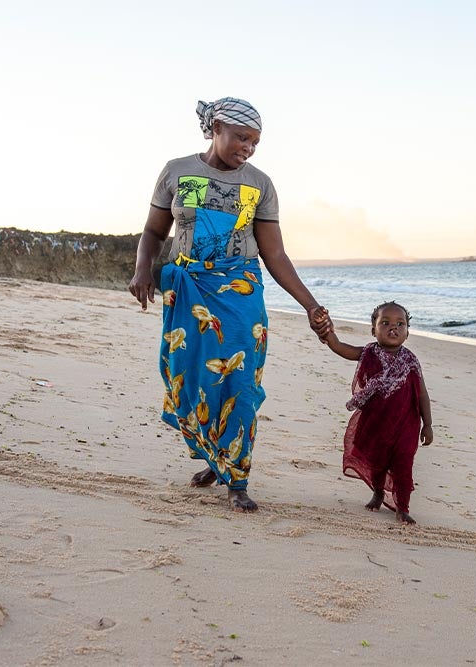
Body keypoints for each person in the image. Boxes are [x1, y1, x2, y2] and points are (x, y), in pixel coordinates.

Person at [128, 97, 332, 513]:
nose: (248, 148)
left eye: (255, 142)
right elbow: (153, 230)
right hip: (188, 288)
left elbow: (275, 254)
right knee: (188, 377)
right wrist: (142, 269)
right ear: (216, 127)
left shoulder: (259, 184)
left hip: (239, 293)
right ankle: (213, 458)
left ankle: (237, 479)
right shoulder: (178, 171)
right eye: (242, 137)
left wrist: (311, 306)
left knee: (238, 383)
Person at [324, 301, 433, 524]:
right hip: (376, 423)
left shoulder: (411, 360)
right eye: (385, 323)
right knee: (377, 462)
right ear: (374, 330)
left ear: (407, 332)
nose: (393, 328)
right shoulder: (368, 353)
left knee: (404, 464)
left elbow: (422, 394)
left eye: (400, 324)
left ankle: (402, 507)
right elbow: (342, 349)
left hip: (406, 425)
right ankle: (378, 492)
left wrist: (428, 424)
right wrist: (329, 336)